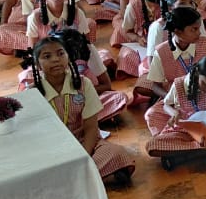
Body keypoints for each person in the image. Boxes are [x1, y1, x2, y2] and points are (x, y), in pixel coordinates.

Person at [30, 36, 135, 184]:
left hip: (84, 142)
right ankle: (93, 179)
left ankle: (70, 181)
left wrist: (83, 156)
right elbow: (36, 137)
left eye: (61, 54)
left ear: (68, 57)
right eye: (47, 56)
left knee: (116, 153)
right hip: (53, 149)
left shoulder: (83, 84)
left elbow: (91, 128)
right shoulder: (33, 93)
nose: (55, 59)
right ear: (37, 64)